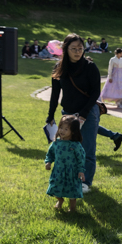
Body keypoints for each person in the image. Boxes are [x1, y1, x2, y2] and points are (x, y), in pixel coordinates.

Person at [47, 33, 102, 193]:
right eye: (74, 49)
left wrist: (83, 114)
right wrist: (50, 115)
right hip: (68, 113)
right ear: (66, 49)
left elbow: (95, 92)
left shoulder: (90, 66)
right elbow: (55, 94)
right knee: (69, 148)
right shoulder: (59, 67)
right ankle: (71, 178)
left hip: (88, 112)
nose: (78, 52)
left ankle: (85, 182)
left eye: (80, 48)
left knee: (87, 148)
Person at [45, 115, 85, 213]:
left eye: (66, 129)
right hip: (58, 171)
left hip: (72, 173)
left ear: (73, 131)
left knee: (72, 192)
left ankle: (72, 208)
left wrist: (81, 171)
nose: (62, 131)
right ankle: (60, 200)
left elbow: (81, 158)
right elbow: (50, 154)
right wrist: (48, 162)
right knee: (55, 187)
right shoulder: (56, 143)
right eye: (61, 128)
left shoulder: (75, 145)